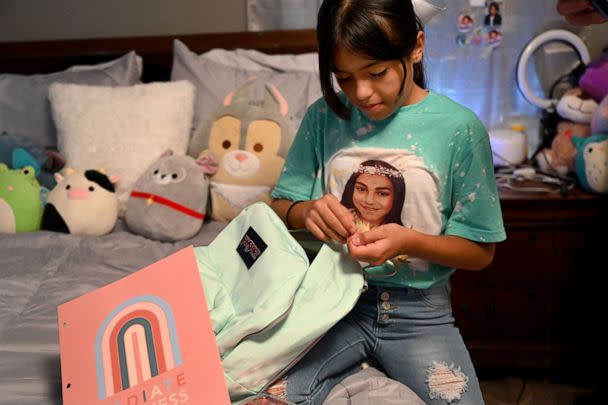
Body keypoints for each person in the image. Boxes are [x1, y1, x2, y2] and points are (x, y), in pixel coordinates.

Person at [269, 0, 506, 403]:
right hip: (329, 301)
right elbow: (277, 207)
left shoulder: (459, 130)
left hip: (420, 316)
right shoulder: (322, 119)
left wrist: (408, 242)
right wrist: (305, 211)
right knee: (264, 393)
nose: (361, 93)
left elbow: (481, 252)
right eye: (343, 78)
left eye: (376, 73)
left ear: (416, 46)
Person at [340, 159, 405, 229]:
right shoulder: (340, 217)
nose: (369, 201)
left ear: (396, 197)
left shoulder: (402, 233)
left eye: (381, 193)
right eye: (361, 189)